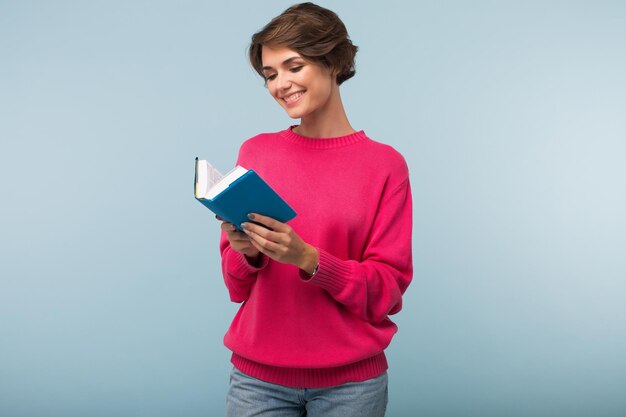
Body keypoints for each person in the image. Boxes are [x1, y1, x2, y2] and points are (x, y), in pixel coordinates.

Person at [218, 3, 413, 416]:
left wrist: (306, 258)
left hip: (352, 385)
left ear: (333, 62)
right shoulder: (255, 153)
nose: (279, 84)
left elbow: (387, 290)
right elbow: (236, 287)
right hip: (257, 382)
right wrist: (247, 252)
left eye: (293, 66)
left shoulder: (385, 166)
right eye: (270, 75)